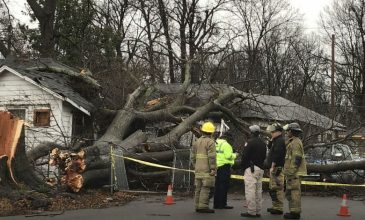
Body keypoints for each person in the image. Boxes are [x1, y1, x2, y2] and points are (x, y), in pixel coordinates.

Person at [240, 125, 267, 218]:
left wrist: (243, 166)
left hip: (251, 169)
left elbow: (245, 156)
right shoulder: (263, 143)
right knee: (258, 191)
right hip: (260, 169)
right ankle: (258, 211)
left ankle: (251, 211)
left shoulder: (249, 142)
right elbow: (264, 157)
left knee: (250, 190)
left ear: (251, 132)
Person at [282, 123, 307, 219]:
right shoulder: (292, 141)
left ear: (292, 132)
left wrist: (291, 171)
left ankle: (295, 213)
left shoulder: (296, 142)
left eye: (288, 131)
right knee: (291, 192)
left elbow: (297, 159)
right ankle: (293, 211)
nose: (287, 132)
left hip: (294, 173)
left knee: (294, 192)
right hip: (292, 172)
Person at [192, 121, 217, 213]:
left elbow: (192, 157)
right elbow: (212, 157)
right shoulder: (210, 142)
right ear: (211, 132)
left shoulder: (197, 142)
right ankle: (203, 206)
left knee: (198, 188)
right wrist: (213, 168)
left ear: (202, 131)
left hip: (198, 169)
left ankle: (197, 206)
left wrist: (195, 166)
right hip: (207, 170)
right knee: (205, 188)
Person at [266, 123, 286, 215]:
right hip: (274, 167)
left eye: (273, 132)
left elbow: (277, 154)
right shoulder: (276, 140)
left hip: (277, 167)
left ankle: (279, 208)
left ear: (278, 132)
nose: (271, 133)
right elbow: (269, 147)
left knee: (277, 188)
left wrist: (273, 165)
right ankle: (275, 206)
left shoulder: (280, 141)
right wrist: (271, 139)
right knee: (273, 188)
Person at [213, 132, 237, 209]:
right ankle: (222, 204)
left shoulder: (215, 143)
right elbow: (228, 156)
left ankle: (216, 204)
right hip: (224, 167)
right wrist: (235, 155)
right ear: (227, 138)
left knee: (217, 186)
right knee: (224, 186)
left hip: (217, 166)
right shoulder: (226, 145)